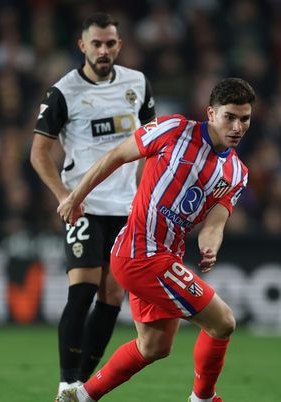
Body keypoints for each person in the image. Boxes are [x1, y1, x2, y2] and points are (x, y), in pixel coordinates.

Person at [55, 77, 255, 402]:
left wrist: (210, 244)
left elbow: (215, 222)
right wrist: (76, 196)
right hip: (139, 253)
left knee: (154, 346)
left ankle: (81, 397)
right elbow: (115, 156)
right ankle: (203, 399)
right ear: (211, 113)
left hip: (163, 259)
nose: (237, 126)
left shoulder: (236, 173)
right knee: (223, 322)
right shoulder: (174, 130)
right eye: (229, 116)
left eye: (244, 118)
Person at [30, 12, 156, 396]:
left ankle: (80, 387)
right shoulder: (64, 91)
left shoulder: (138, 84)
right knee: (82, 290)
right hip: (84, 205)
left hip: (127, 207)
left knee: (113, 296)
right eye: (97, 43)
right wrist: (64, 196)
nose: (104, 50)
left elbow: (152, 143)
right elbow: (38, 153)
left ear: (119, 45)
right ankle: (66, 379)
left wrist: (149, 196)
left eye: (111, 43)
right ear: (82, 46)